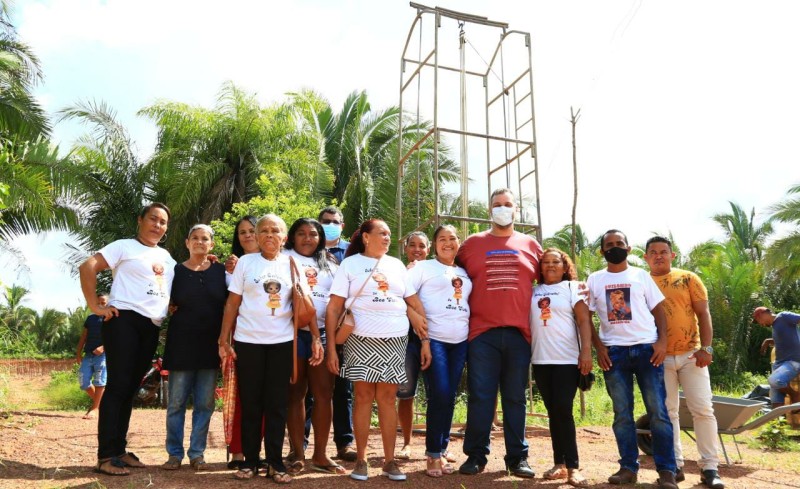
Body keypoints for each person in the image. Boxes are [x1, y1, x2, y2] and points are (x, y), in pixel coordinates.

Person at [218, 214, 323, 483]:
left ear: (284, 237)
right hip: (248, 341)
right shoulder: (245, 263)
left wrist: (313, 337)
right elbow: (232, 303)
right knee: (252, 403)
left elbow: (307, 304)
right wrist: (223, 339)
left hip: (282, 343)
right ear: (256, 234)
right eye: (262, 230)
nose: (268, 235)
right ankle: (250, 462)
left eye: (274, 230)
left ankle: (275, 462)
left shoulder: (292, 264)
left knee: (277, 405)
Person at [325, 219, 429, 482]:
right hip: (360, 338)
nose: (386, 238)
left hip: (394, 339)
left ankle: (390, 461)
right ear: (366, 237)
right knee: (362, 396)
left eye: (389, 234)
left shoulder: (395, 265)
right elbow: (335, 307)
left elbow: (412, 300)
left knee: (387, 398)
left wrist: (423, 334)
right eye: (381, 233)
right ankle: (361, 461)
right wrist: (332, 349)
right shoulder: (350, 264)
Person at [79, 202, 176, 476]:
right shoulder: (123, 246)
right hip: (124, 321)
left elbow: (170, 286)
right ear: (140, 220)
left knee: (131, 387)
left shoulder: (167, 257)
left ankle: (119, 450)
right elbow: (87, 267)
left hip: (151, 325)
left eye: (163, 222)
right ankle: (106, 455)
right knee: (119, 385)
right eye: (153, 219)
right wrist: (95, 307)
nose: (158, 225)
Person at [455, 188, 543, 478]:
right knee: (481, 395)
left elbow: (552, 278)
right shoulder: (471, 245)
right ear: (489, 210)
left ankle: (517, 458)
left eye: (507, 205)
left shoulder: (530, 244)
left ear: (516, 211)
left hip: (519, 334)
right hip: (481, 333)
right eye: (497, 205)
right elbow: (450, 277)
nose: (502, 209)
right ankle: (476, 456)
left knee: (515, 397)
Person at [587, 229, 677, 489]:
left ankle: (667, 471)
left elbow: (659, 311)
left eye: (619, 243)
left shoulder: (641, 276)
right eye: (609, 245)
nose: (614, 247)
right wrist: (599, 347)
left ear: (628, 248)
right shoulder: (594, 279)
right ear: (603, 251)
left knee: (658, 412)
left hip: (647, 350)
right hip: (614, 353)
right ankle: (628, 468)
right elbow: (587, 317)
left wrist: (661, 342)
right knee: (622, 414)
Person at [644, 236, 725, 489]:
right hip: (659, 357)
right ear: (646, 257)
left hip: (692, 355)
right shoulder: (641, 282)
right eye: (653, 252)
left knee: (703, 409)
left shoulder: (688, 278)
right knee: (668, 413)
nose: (659, 256)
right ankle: (675, 466)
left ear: (673, 255)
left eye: (663, 251)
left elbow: (703, 313)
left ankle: (710, 468)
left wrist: (707, 348)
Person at [160, 224, 227, 471]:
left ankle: (197, 454)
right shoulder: (173, 271)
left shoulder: (221, 271)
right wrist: (166, 306)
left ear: (212, 244)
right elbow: (159, 295)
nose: (200, 242)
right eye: (195, 238)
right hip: (181, 344)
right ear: (187, 242)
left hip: (211, 345)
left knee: (205, 404)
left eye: (205, 238)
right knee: (176, 403)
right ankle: (174, 454)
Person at [408, 225, 471, 478]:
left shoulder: (464, 272)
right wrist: (413, 317)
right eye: (442, 239)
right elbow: (403, 294)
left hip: (461, 341)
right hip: (433, 339)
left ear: (459, 243)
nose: (448, 243)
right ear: (434, 245)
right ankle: (433, 454)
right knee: (441, 393)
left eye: (452, 238)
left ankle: (442, 448)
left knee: (449, 395)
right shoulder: (421, 268)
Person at [283, 218, 345, 474]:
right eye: (301, 234)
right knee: (295, 393)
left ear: (320, 237)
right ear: (292, 237)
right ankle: (297, 453)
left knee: (324, 394)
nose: (307, 239)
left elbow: (340, 300)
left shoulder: (331, 264)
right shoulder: (282, 258)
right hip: (292, 333)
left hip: (323, 333)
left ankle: (321, 454)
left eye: (313, 234)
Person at [530, 248, 592, 487]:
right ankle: (559, 463)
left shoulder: (573, 288)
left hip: (567, 359)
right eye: (545, 262)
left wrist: (586, 352)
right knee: (552, 411)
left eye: (556, 261)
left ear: (565, 266)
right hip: (541, 359)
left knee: (563, 410)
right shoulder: (533, 291)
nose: (550, 266)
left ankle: (574, 467)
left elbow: (584, 320)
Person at [222, 216, 262, 469]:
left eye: (251, 230)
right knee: (238, 395)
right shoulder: (231, 267)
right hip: (238, 335)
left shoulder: (279, 263)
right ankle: (237, 450)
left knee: (267, 396)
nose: (247, 236)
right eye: (242, 232)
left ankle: (260, 451)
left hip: (272, 336)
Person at [318, 205, 356, 461]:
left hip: (345, 330)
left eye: (335, 221)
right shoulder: (310, 249)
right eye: (325, 220)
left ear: (342, 226)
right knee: (312, 390)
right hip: (314, 328)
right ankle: (304, 443)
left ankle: (345, 442)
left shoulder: (351, 253)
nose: (330, 224)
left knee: (344, 388)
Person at [396, 230, 430, 461]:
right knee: (405, 394)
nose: (417, 250)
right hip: (406, 339)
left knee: (438, 394)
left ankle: (437, 445)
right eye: (413, 245)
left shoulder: (438, 271)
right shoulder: (396, 271)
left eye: (422, 246)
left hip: (433, 338)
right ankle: (407, 443)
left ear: (429, 249)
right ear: (405, 248)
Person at [753, 306, 800, 407]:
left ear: (763, 314)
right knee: (775, 400)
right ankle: (778, 420)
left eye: (758, 320)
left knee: (774, 380)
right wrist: (768, 341)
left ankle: (795, 395)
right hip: (779, 363)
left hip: (793, 361)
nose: (760, 324)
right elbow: (784, 341)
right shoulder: (775, 326)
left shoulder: (783, 316)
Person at [76, 292, 109, 420]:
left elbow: (116, 337)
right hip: (88, 354)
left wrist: (103, 347)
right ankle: (102, 404)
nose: (100, 305)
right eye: (98, 303)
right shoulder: (90, 318)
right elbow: (84, 336)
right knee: (83, 381)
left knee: (100, 381)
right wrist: (78, 352)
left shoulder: (111, 317)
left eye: (103, 303)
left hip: (103, 355)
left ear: (108, 304)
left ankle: (95, 408)